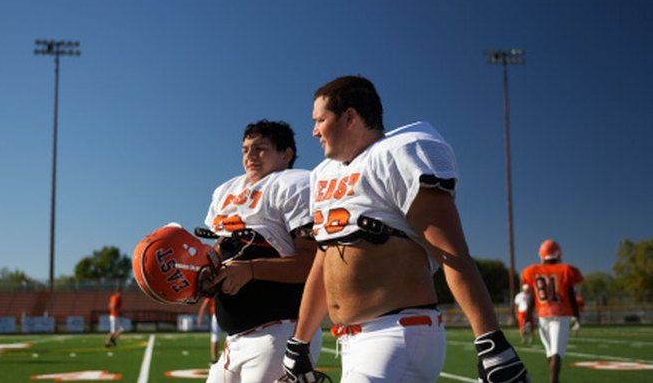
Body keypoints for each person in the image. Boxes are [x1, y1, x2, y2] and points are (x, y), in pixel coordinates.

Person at [280, 75, 528, 383]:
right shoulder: (323, 175)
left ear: (350, 118)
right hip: (350, 341)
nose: (314, 130)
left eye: (320, 120)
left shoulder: (399, 152)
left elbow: (452, 251)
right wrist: (299, 342)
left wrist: (491, 343)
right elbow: (324, 261)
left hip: (398, 333)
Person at [200, 120, 322, 383]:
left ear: (286, 154)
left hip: (279, 332)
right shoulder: (226, 191)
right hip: (234, 340)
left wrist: (252, 270)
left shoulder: (295, 184)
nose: (250, 156)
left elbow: (313, 262)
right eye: (245, 149)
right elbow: (219, 249)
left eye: (260, 148)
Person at [522, 238, 583, 383]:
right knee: (556, 353)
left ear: (541, 254)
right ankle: (554, 381)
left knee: (550, 352)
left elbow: (532, 296)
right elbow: (570, 295)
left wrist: (527, 317)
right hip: (560, 315)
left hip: (542, 315)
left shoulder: (532, 271)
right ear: (558, 254)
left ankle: (554, 380)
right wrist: (577, 315)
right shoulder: (566, 270)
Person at [197, 297, 221, 364]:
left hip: (217, 315)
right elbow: (205, 302)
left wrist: (200, 317)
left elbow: (205, 303)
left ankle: (214, 359)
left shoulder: (213, 291)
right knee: (216, 337)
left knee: (215, 337)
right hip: (219, 314)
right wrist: (200, 317)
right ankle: (214, 359)